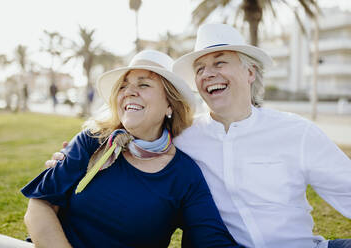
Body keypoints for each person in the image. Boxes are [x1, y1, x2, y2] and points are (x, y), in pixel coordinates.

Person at [47, 24, 351, 248]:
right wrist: (68, 161)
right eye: (200, 68)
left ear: (249, 72)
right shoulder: (184, 138)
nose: (208, 73)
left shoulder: (297, 132)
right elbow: (136, 139)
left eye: (220, 62)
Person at [21, 50, 243, 248]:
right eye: (124, 86)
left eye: (143, 84)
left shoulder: (185, 174)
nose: (129, 92)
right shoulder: (92, 141)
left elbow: (210, 240)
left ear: (169, 105)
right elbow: (40, 205)